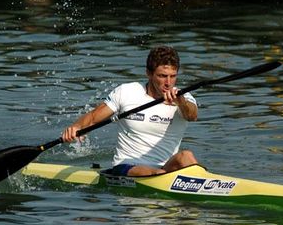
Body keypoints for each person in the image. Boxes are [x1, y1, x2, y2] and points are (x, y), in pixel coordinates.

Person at [62, 46, 198, 177]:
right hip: (127, 166)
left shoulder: (183, 97)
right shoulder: (127, 92)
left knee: (186, 156)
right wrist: (77, 127)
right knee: (159, 174)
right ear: (149, 73)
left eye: (172, 76)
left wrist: (180, 101)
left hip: (165, 168)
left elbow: (191, 116)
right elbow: (93, 117)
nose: (168, 83)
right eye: (162, 76)